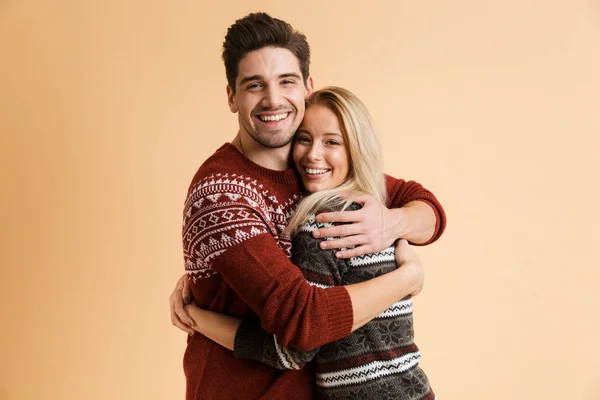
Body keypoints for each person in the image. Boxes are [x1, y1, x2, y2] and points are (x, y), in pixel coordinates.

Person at [170, 12, 446, 400]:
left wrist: (393, 222)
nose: (273, 99)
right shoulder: (221, 194)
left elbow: (425, 206)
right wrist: (407, 279)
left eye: (287, 81)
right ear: (232, 96)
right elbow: (304, 323)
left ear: (306, 88)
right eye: (254, 85)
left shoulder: (312, 170)